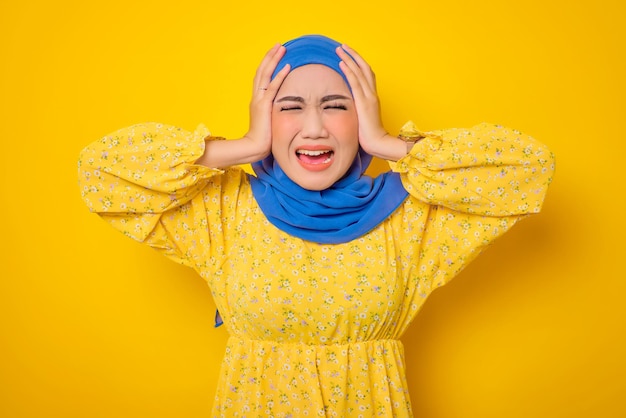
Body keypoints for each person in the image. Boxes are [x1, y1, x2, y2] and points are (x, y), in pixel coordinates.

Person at [78, 34, 554, 417]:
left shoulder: (412, 214)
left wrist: (388, 143)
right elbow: (99, 171)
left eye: (336, 105)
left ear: (363, 115)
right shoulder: (222, 209)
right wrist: (243, 146)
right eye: (289, 108)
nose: (314, 128)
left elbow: (528, 168)